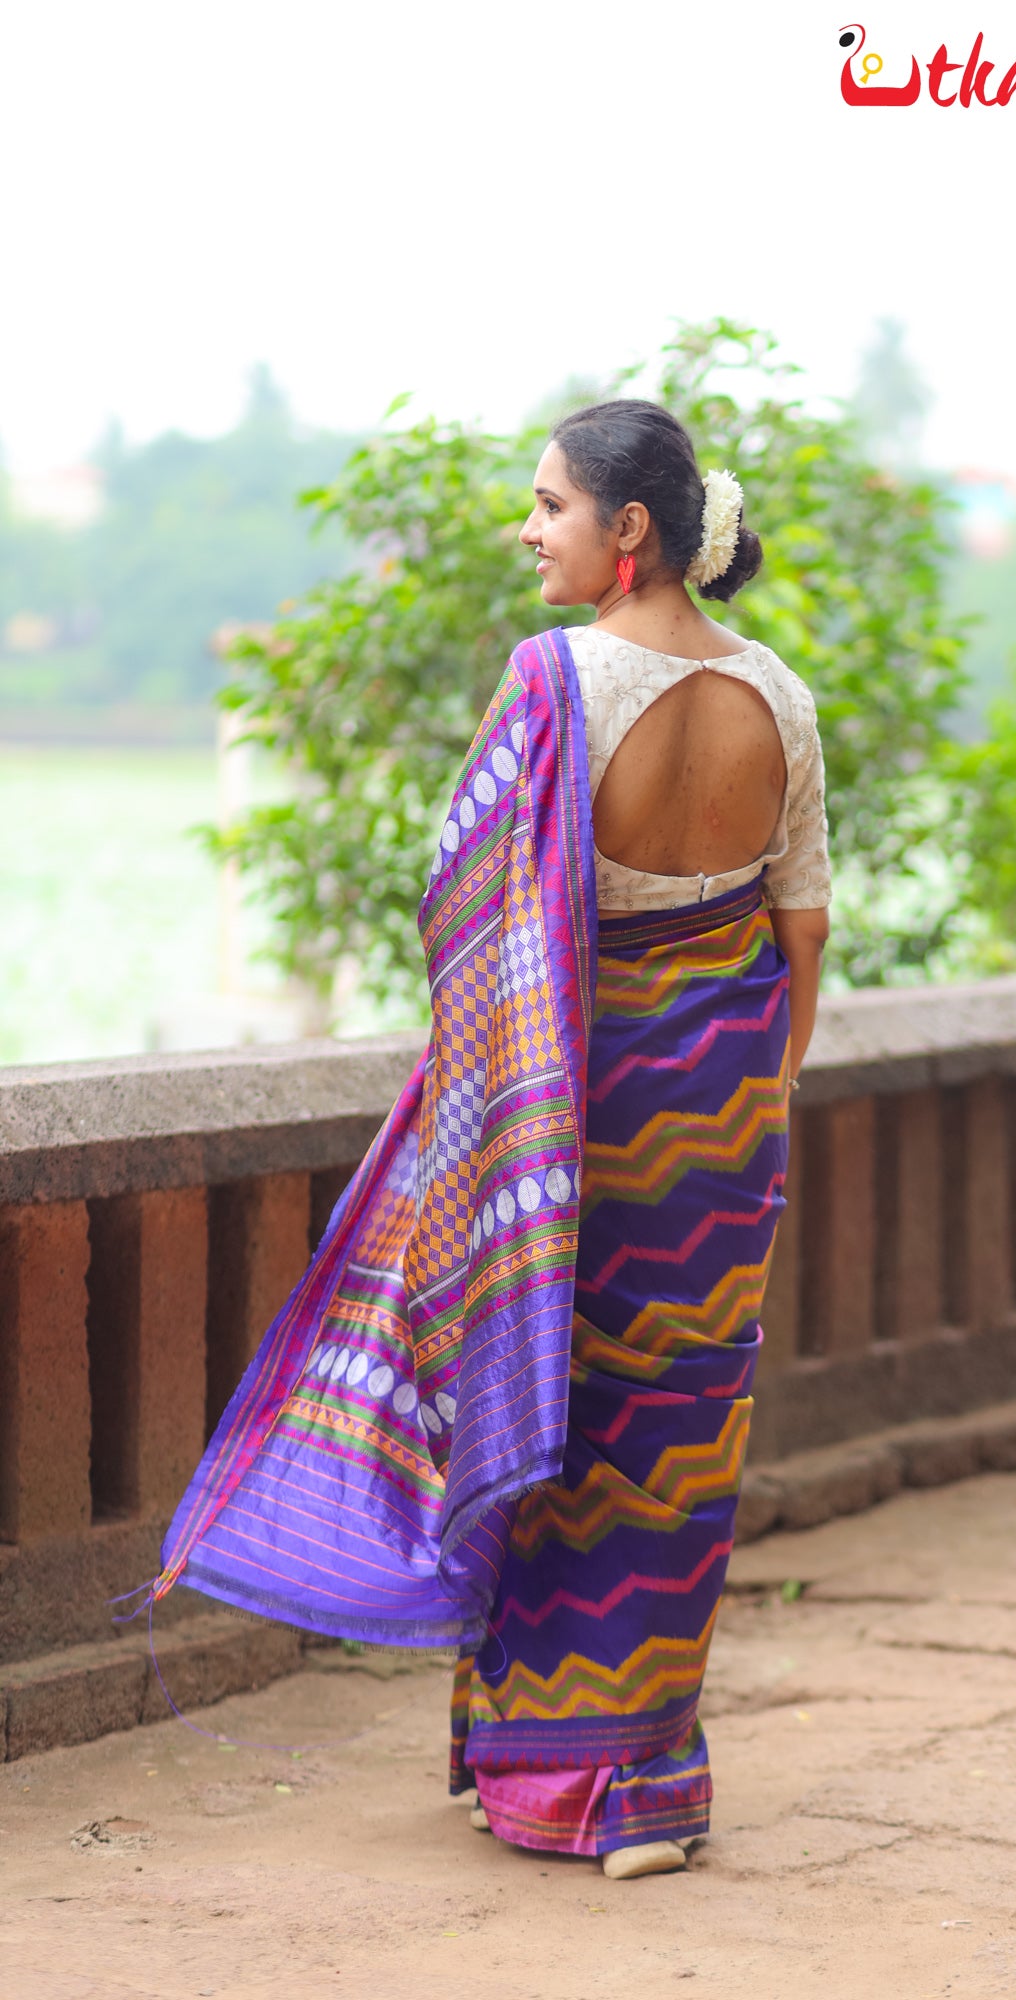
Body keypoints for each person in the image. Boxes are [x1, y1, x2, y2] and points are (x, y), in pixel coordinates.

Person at [153, 399, 832, 1882]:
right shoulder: (779, 693)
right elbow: (802, 920)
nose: (527, 530)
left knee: (551, 1413)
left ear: (627, 530)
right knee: (678, 1437)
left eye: (547, 506)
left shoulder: (554, 680)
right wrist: (762, 1090)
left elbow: (462, 889)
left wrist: (495, 1067)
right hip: (721, 1110)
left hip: (575, 1109)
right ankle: (651, 1780)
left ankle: (559, 1785)